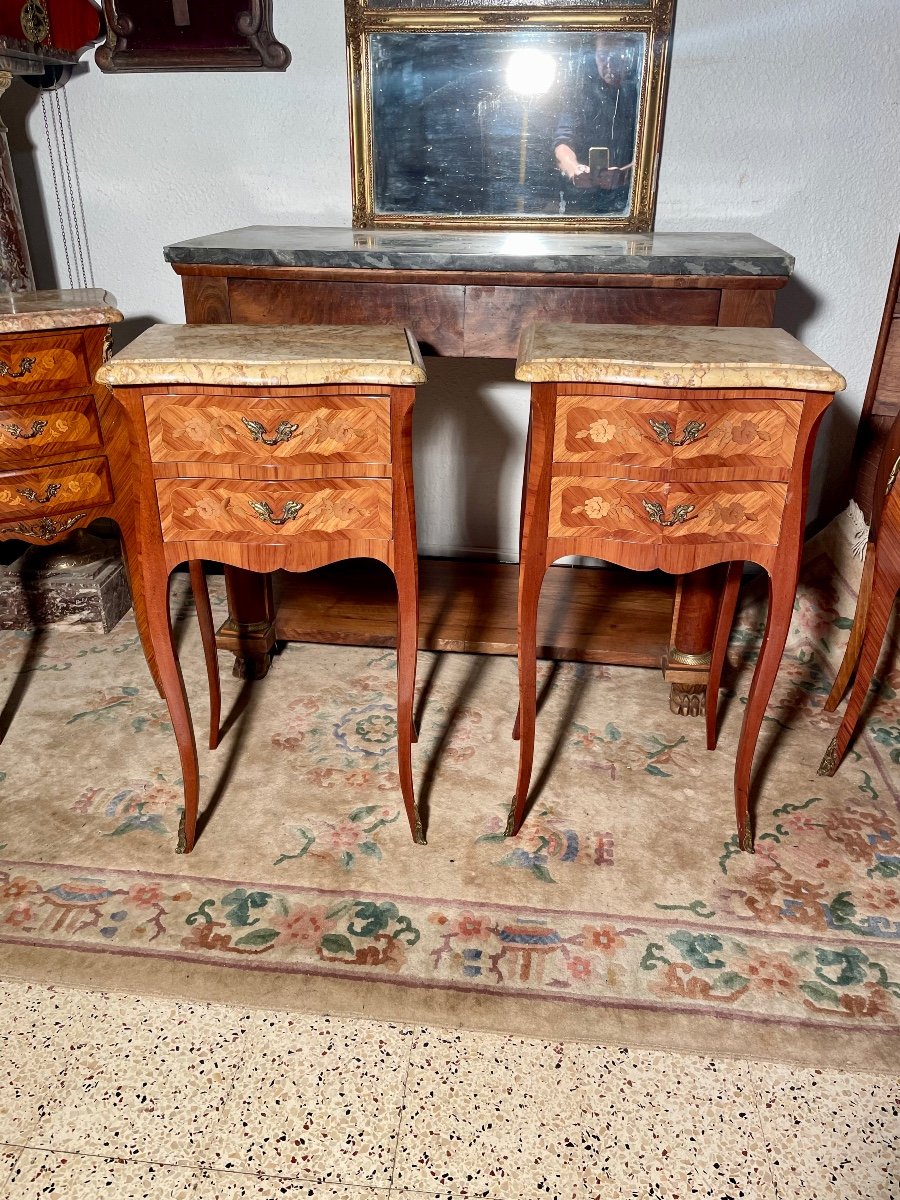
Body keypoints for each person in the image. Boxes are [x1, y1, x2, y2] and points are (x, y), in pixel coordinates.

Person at [553, 32, 641, 215]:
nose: (609, 63)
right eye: (602, 55)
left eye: (616, 55)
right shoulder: (581, 92)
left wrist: (627, 174)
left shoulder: (644, 91)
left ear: (632, 54)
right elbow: (562, 142)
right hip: (582, 203)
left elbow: (657, 150)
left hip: (632, 204)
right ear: (594, 55)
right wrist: (573, 169)